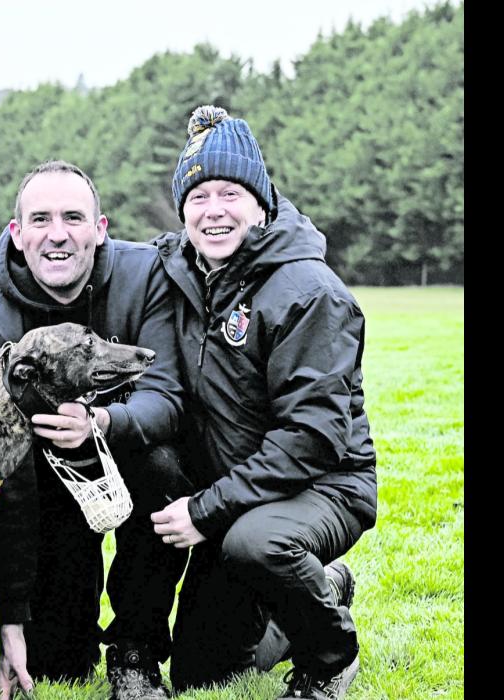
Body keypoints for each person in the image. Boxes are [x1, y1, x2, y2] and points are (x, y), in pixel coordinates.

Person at [143, 105, 376, 699]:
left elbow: (313, 438)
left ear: (262, 201)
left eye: (230, 192)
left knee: (261, 545)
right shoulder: (180, 271)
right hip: (239, 492)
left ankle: (328, 659)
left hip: (319, 484)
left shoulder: (309, 292)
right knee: (204, 672)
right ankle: (316, 588)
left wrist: (205, 510)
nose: (213, 210)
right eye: (198, 196)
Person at [0, 160, 186, 697]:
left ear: (100, 228)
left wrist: (102, 422)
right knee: (60, 667)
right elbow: (2, 485)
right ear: (17, 234)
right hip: (44, 488)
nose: (57, 234)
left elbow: (168, 398)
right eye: (39, 219)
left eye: (73, 217)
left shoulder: (144, 276)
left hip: (137, 456)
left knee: (162, 463)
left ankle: (137, 645)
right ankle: (67, 627)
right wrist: (10, 618)